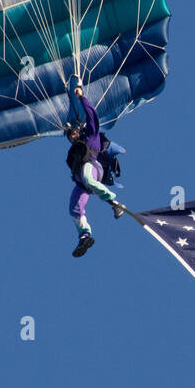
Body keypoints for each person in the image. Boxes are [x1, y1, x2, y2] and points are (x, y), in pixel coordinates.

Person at [65, 79, 127, 257]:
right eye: (69, 135)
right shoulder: (73, 151)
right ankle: (84, 236)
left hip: (93, 167)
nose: (72, 136)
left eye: (74, 132)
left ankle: (115, 202)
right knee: (74, 208)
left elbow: (92, 115)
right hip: (82, 181)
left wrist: (82, 97)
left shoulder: (91, 137)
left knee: (88, 178)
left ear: (80, 130)